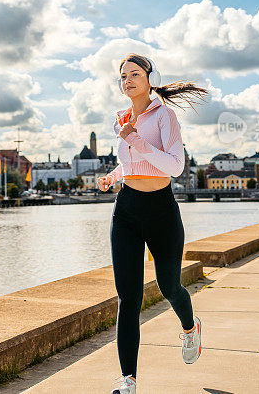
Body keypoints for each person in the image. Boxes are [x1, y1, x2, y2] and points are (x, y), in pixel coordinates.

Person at [97, 53, 209, 394]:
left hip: (161, 210)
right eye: (123, 76)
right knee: (127, 297)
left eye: (134, 74)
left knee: (169, 286)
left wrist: (135, 140)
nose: (128, 80)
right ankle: (128, 380)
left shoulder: (165, 116)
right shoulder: (121, 119)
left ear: (150, 78)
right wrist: (113, 176)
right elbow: (134, 163)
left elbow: (174, 166)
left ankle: (190, 328)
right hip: (127, 209)